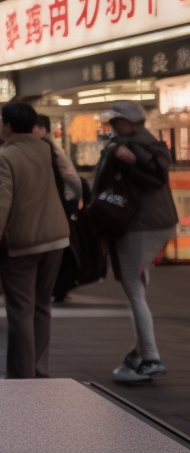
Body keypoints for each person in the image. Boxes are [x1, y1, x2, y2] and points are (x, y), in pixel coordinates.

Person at [93, 101, 179, 383]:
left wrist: (129, 158)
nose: (113, 126)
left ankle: (151, 357)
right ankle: (141, 350)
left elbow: (152, 175)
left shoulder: (132, 146)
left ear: (132, 122)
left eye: (118, 121)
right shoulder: (145, 143)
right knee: (137, 283)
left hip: (140, 223)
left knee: (133, 286)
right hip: (154, 222)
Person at [0, 102, 70, 379]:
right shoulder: (43, 148)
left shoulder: (4, 157)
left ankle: (21, 376)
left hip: (22, 243)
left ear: (6, 126)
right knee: (43, 304)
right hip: (55, 237)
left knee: (21, 310)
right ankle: (38, 368)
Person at [32, 114, 82, 215]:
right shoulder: (45, 146)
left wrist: (80, 193)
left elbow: (69, 174)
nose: (33, 132)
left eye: (36, 128)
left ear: (44, 130)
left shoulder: (51, 148)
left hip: (62, 196)